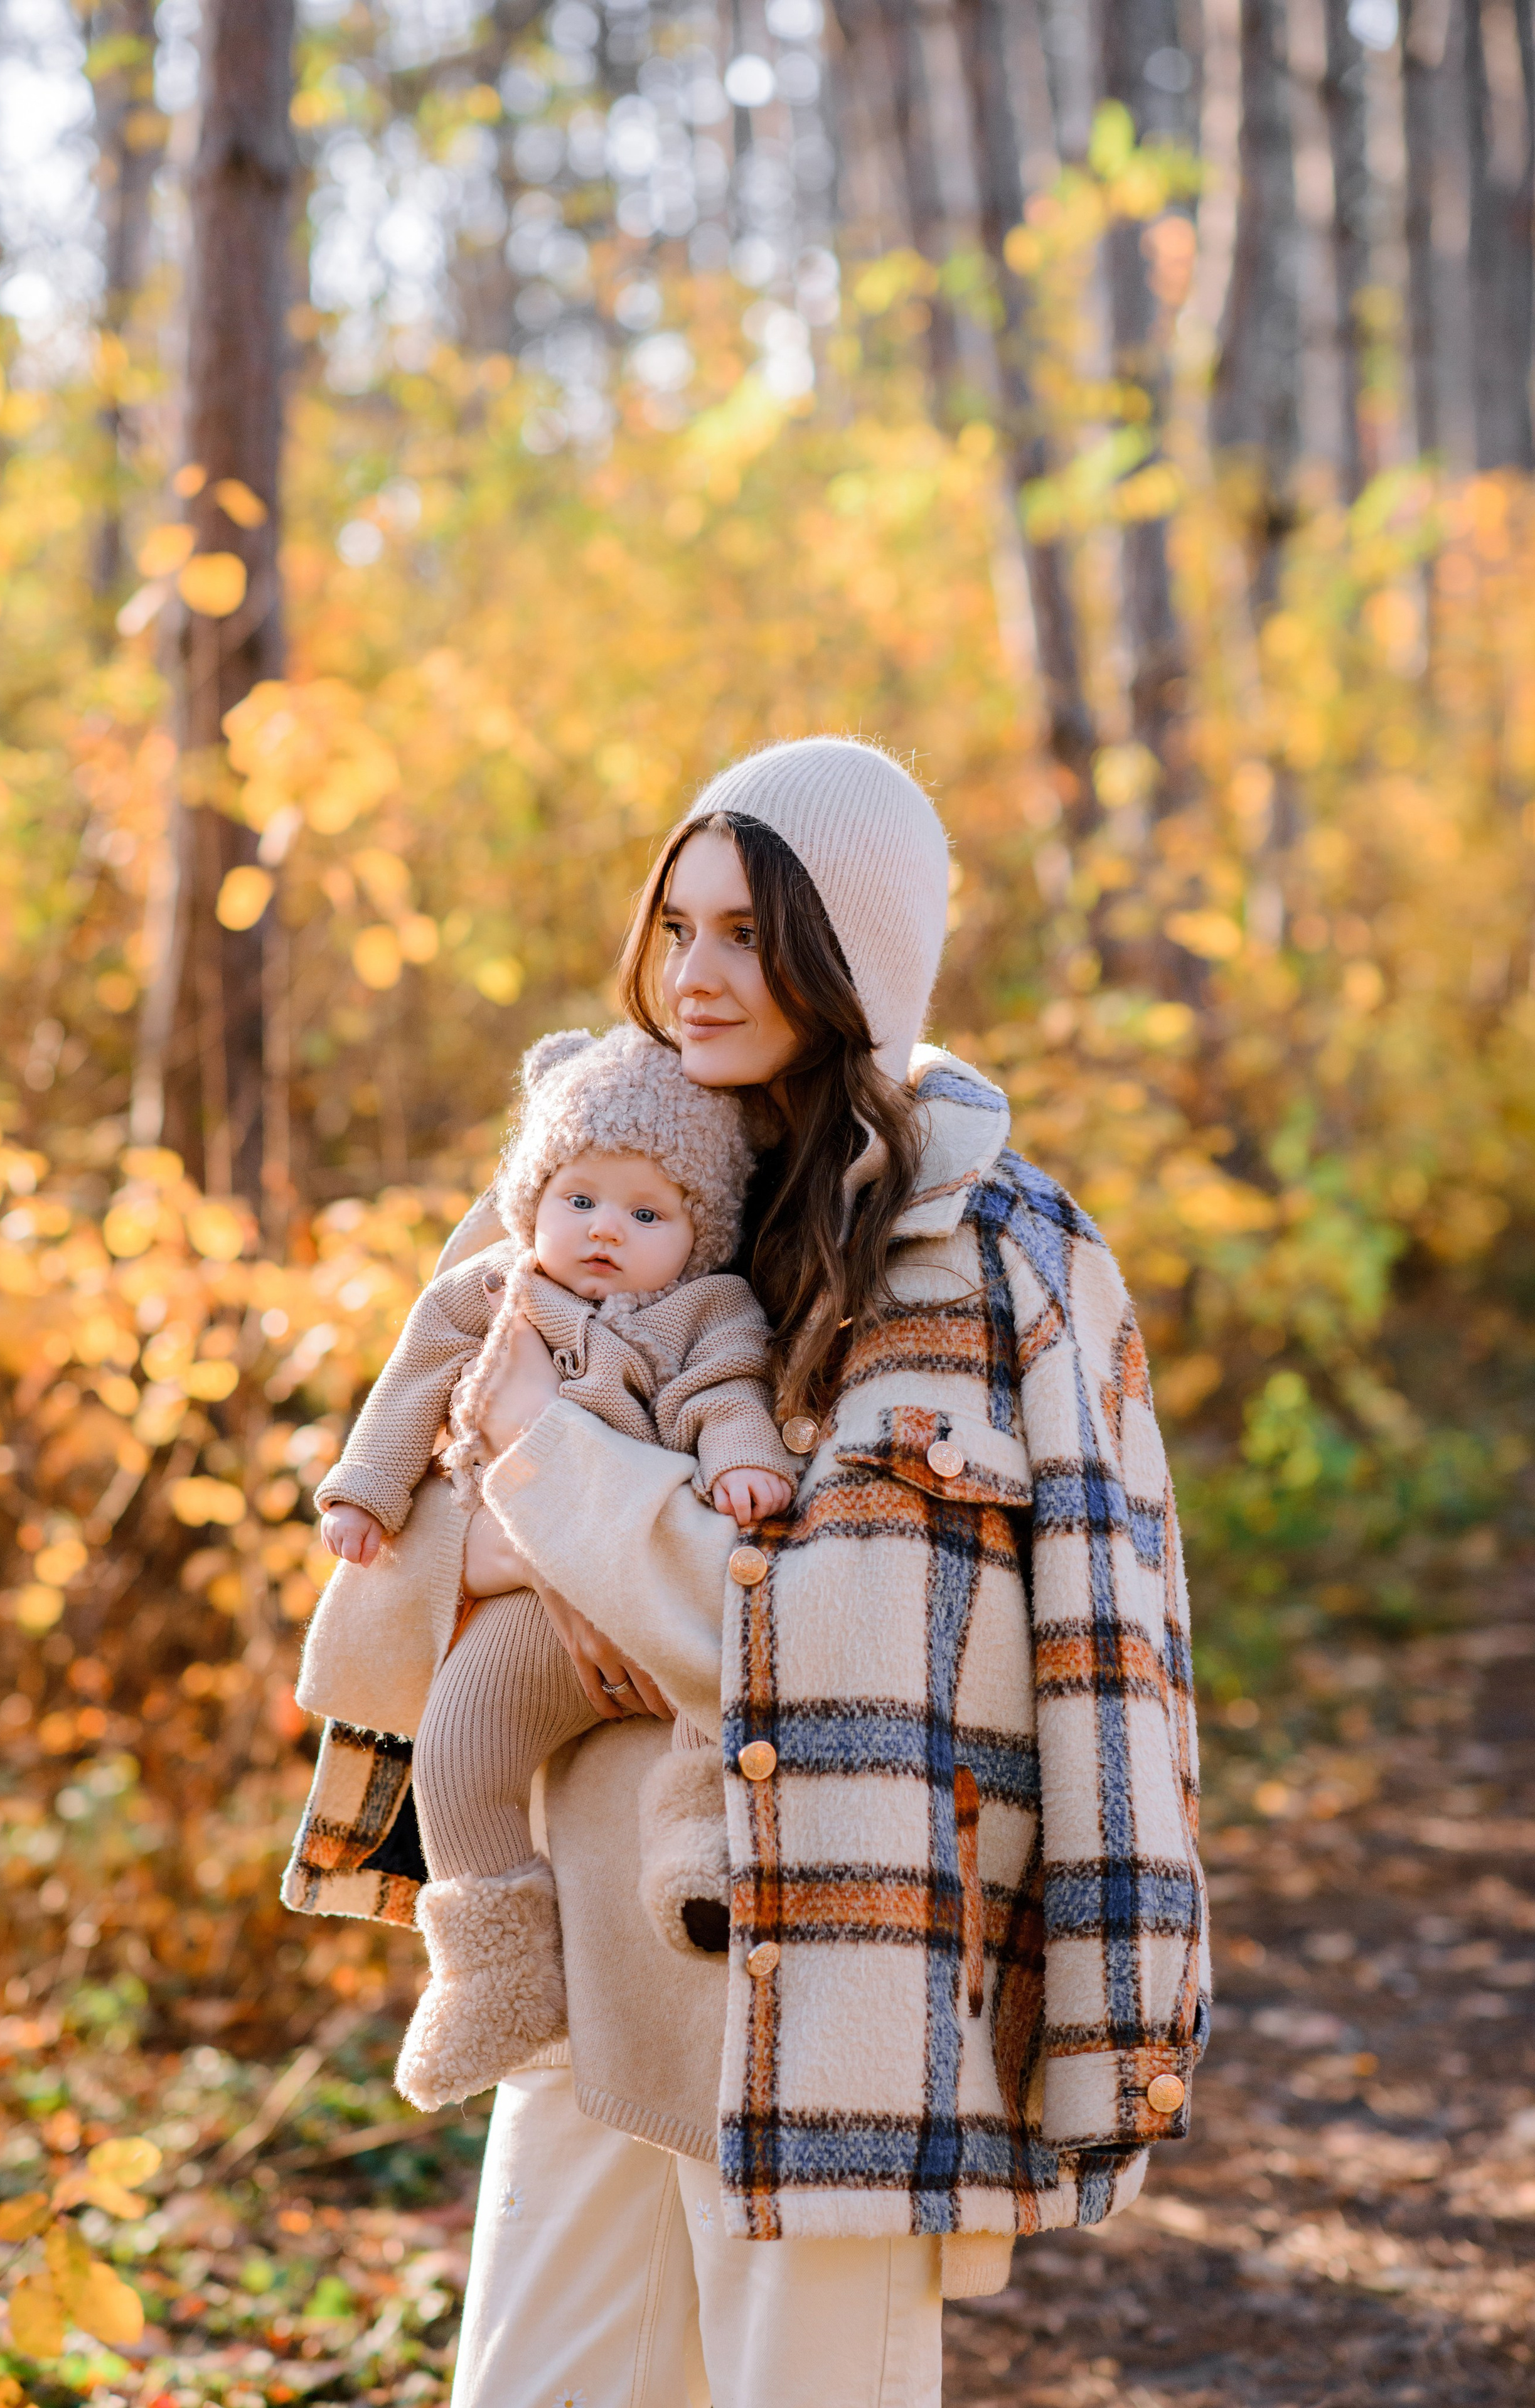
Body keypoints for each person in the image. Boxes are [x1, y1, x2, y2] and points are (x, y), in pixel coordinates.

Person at [286, 736, 1209, 2408]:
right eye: (677, 926)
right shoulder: (604, 1169)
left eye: (747, 933)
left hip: (835, 1980)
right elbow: (409, 1569)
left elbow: (817, 1636)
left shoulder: (972, 1248)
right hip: (584, 1958)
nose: (695, 976)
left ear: (851, 956)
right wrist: (534, 1541)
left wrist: (548, 1485)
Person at [311, 1023, 798, 2111]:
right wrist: (363, 1489)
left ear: (700, 1231)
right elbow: (411, 1385)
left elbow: (729, 1395)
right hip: (535, 1603)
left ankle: (701, 1861)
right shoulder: (492, 1292)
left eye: (646, 1213)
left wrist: (744, 1464)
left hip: (646, 1577)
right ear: (535, 1197)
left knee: (714, 1699)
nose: (604, 1233)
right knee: (456, 1748)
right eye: (579, 1199)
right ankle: (494, 1972)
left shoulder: (708, 1310)